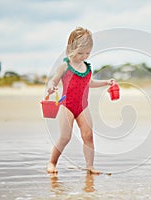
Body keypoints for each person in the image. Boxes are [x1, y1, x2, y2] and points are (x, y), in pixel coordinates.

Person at [46, 27, 115, 174]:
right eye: (80, 53)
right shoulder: (65, 66)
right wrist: (51, 87)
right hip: (67, 105)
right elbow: (53, 80)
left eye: (87, 53)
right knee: (65, 137)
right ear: (71, 48)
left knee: (88, 136)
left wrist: (105, 83)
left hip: (83, 106)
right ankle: (52, 163)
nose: (84, 56)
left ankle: (90, 166)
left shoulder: (87, 67)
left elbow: (88, 83)